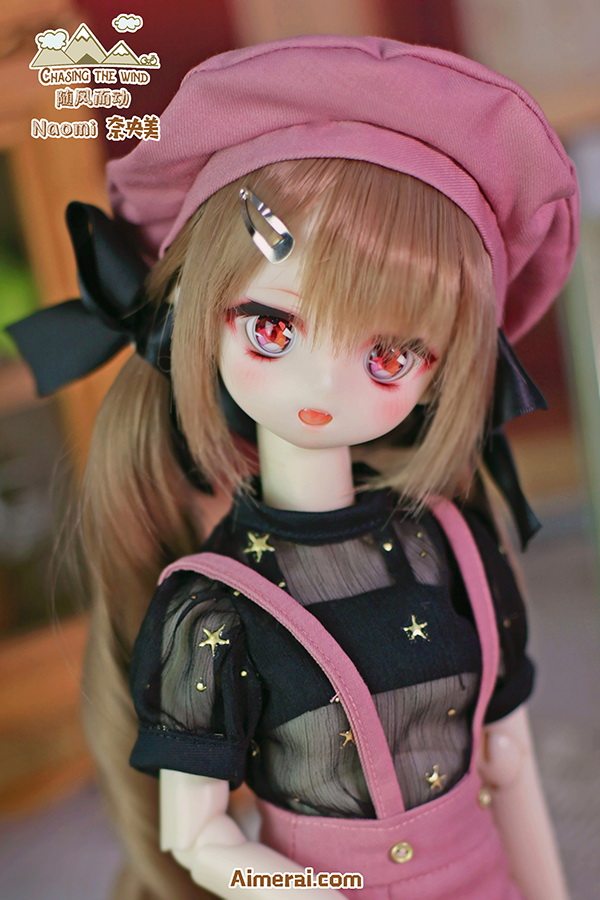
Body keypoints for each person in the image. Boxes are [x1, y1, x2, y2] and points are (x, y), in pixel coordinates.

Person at [7, 35, 578, 900]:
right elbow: (197, 837)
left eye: (389, 356)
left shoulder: (455, 543)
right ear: (199, 311)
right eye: (273, 328)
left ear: (448, 368)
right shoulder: (211, 607)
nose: (322, 387)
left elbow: (511, 758)